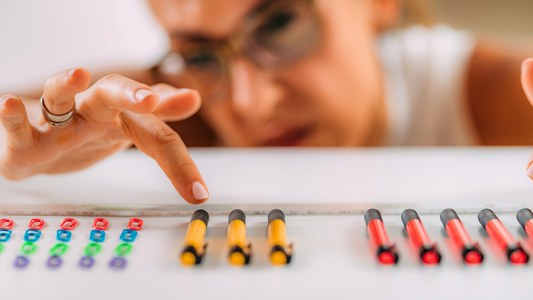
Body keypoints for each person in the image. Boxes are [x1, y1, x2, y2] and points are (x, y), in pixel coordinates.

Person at [1, 0, 533, 205]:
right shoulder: (178, 102)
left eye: (280, 25)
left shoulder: (494, 93)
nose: (253, 103)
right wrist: (14, 151)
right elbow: (28, 119)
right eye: (200, 54)